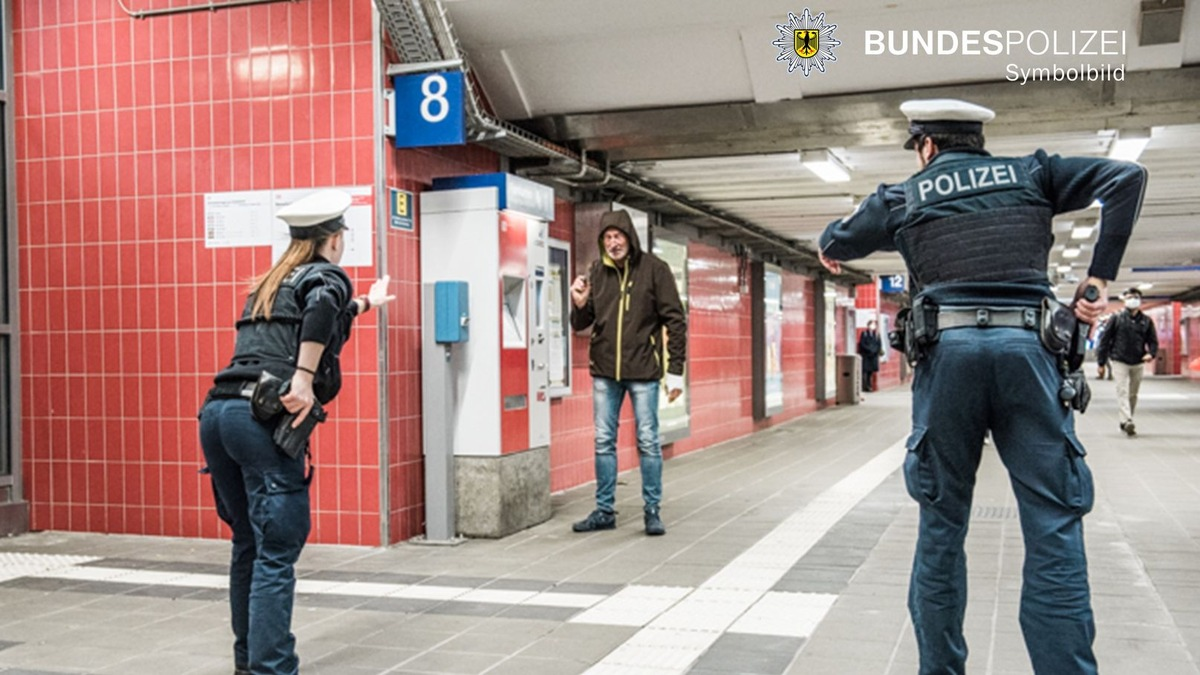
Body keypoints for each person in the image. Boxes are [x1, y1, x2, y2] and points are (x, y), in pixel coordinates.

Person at [817, 99, 1146, 674]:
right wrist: (1097, 279)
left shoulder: (905, 195)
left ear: (926, 146)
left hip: (947, 359)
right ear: (977, 141)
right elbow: (1126, 177)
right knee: (1053, 528)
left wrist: (832, 245)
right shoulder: (1033, 173)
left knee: (942, 529)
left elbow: (835, 240)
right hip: (1030, 357)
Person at [199, 190, 394, 675]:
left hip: (219, 413)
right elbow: (324, 308)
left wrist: (369, 301)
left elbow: (321, 313)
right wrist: (303, 380)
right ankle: (272, 667)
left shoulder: (271, 280)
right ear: (333, 240)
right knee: (277, 549)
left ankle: (249, 662)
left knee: (247, 540)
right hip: (260, 419)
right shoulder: (327, 275)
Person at [569, 209, 687, 536]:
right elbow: (583, 323)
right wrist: (578, 304)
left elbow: (675, 321)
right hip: (605, 371)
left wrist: (674, 371)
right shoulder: (597, 272)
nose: (612, 243)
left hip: (643, 371)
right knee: (603, 440)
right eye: (607, 238)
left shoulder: (654, 270)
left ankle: (652, 510)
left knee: (648, 441)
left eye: (617, 236)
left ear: (629, 238)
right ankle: (604, 510)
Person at [1096, 287, 1158, 436]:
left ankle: (1125, 420)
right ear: (1124, 300)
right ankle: (1128, 419)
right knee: (1122, 391)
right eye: (1130, 297)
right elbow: (1104, 341)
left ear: (1140, 300)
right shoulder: (1116, 319)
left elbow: (1153, 341)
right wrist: (1101, 362)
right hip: (1119, 360)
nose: (1133, 300)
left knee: (1133, 394)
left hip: (1138, 361)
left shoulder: (1146, 321)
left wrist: (1151, 354)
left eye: (1136, 297)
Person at [857, 319, 882, 392]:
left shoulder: (876, 335)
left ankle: (869, 385)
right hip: (866, 356)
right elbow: (862, 344)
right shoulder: (864, 333)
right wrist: (869, 350)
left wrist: (874, 351)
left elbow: (879, 345)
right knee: (865, 371)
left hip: (873, 356)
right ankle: (866, 386)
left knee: (871, 372)